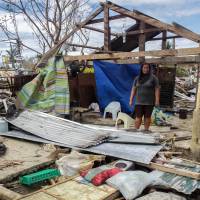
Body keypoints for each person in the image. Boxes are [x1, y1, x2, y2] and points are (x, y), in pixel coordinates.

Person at [129, 63, 160, 131]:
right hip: (139, 102)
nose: (146, 69)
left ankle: (146, 130)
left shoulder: (153, 78)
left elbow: (157, 89)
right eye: (144, 68)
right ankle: (136, 130)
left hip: (149, 102)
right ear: (141, 69)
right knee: (138, 117)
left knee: (147, 117)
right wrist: (131, 100)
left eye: (147, 68)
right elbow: (133, 89)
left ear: (149, 69)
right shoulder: (137, 78)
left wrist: (157, 100)